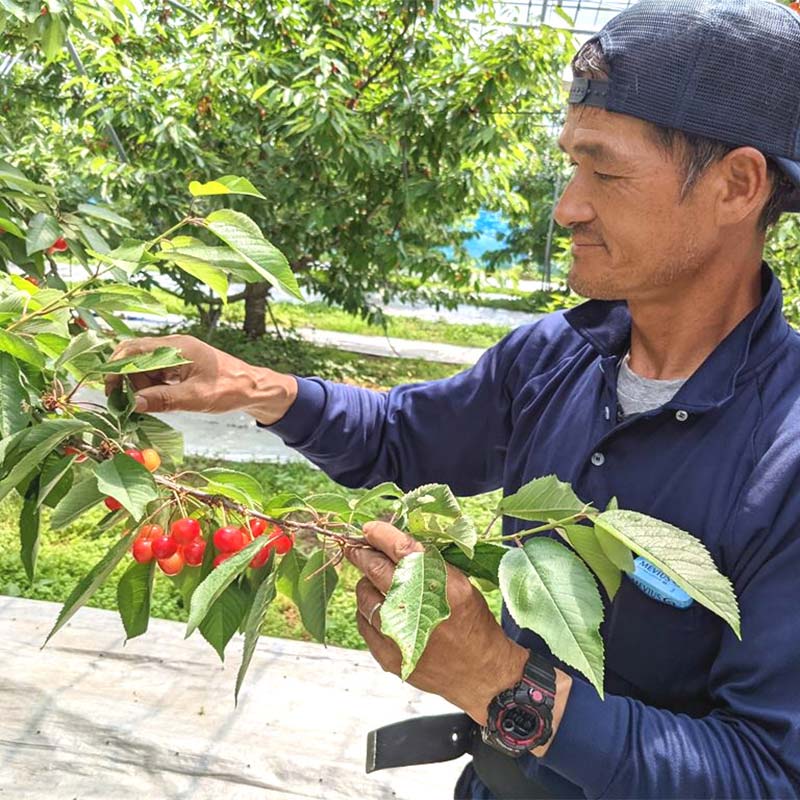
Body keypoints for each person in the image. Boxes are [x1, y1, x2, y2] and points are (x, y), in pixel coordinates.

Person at [106, 0, 800, 796]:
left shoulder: (786, 459)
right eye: (571, 165)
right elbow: (404, 437)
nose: (567, 206)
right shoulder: (556, 355)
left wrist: (504, 685)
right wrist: (253, 386)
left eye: (604, 172)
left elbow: (768, 776)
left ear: (738, 185)